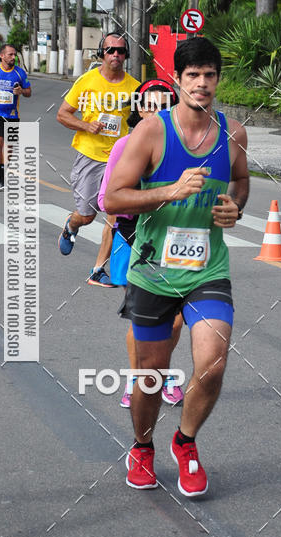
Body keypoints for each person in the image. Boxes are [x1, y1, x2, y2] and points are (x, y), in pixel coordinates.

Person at [105, 37, 249, 497]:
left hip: (208, 270)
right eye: (193, 75)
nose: (202, 84)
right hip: (153, 272)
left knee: (212, 365)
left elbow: (242, 180)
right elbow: (112, 197)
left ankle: (185, 442)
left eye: (209, 75)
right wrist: (168, 191)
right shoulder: (151, 132)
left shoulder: (233, 133)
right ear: (178, 80)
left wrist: (235, 207)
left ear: (217, 79)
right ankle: (142, 446)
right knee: (151, 374)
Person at [98, 79, 184, 408]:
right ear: (138, 108)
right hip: (134, 236)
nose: (154, 111)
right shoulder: (125, 146)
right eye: (148, 105)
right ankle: (138, 378)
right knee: (142, 317)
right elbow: (107, 200)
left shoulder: (183, 146)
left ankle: (158, 373)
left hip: (177, 241)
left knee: (174, 319)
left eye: (163, 106)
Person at [56, 32, 140, 287]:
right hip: (90, 155)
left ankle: (98, 269)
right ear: (102, 53)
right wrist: (85, 125)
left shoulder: (135, 87)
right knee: (87, 215)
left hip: (121, 159)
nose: (116, 54)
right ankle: (71, 226)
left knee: (114, 214)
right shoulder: (87, 81)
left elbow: (145, 119)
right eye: (111, 50)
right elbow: (62, 114)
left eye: (121, 51)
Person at [0, 43, 31, 191]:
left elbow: (29, 92)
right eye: (10, 54)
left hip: (13, 114)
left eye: (14, 54)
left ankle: (2, 173)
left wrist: (21, 91)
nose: (13, 57)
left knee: (9, 149)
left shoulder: (20, 73)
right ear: (2, 56)